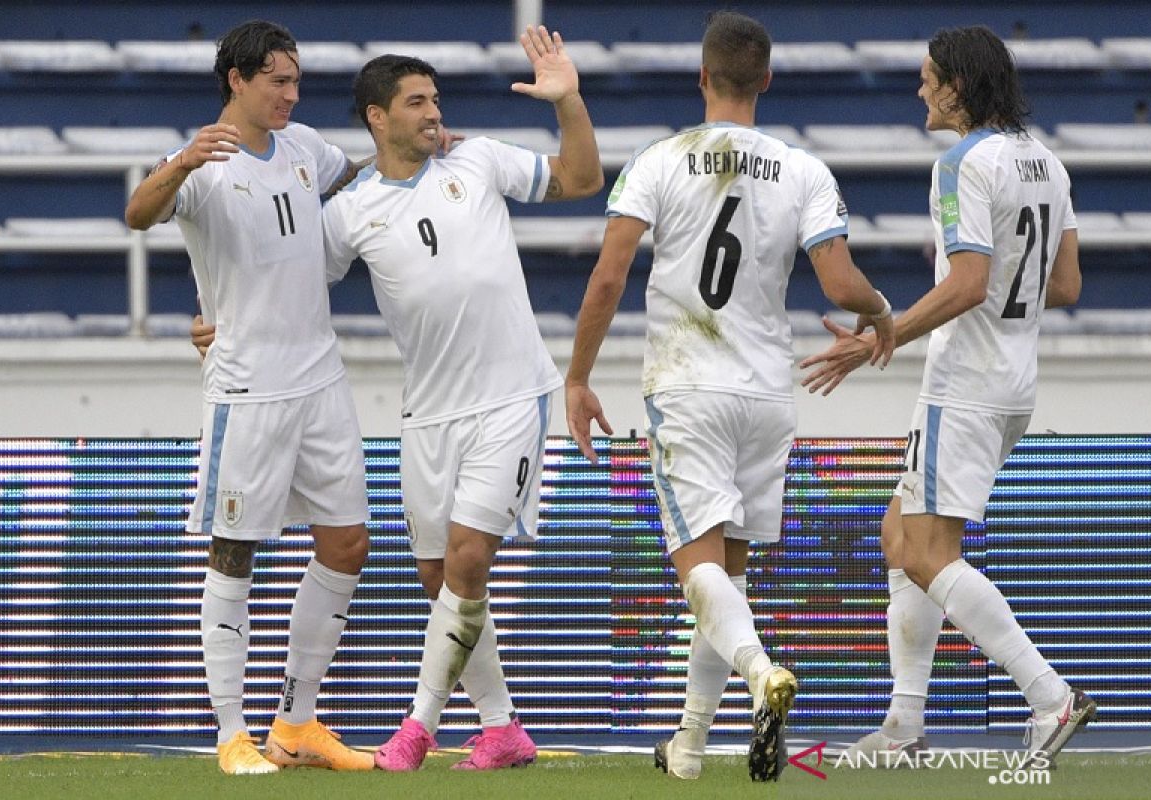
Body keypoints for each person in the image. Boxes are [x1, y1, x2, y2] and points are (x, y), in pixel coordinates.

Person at [564, 11, 895, 782]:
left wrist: (578, 377)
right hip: (767, 394)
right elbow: (842, 285)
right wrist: (880, 315)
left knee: (696, 571)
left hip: (687, 385)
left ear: (703, 77)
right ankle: (687, 747)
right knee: (728, 580)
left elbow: (609, 276)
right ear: (767, 80)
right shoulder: (804, 169)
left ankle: (758, 673)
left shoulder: (659, 159)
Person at [799, 25, 1089, 767]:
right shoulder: (1048, 163)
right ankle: (903, 727)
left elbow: (965, 283)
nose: (919, 90)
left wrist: (880, 337)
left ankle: (1049, 696)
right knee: (901, 536)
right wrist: (1001, 307)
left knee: (928, 553)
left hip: (963, 386)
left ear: (957, 85)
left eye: (928, 77)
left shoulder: (960, 163)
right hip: (1014, 383)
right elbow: (1065, 286)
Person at [319, 28, 602, 771]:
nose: (432, 113)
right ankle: (504, 728)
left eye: (436, 99)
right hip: (428, 416)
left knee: (470, 560)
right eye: (416, 102)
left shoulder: (476, 159)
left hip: (512, 396)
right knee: (439, 578)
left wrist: (568, 101)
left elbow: (580, 178)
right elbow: (283, 278)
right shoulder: (351, 212)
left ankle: (415, 730)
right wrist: (215, 313)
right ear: (377, 118)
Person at [125, 20, 374, 775]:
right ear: (236, 79)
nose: (292, 95)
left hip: (321, 378)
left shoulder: (302, 149)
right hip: (249, 385)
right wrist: (179, 165)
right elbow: (138, 213)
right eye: (278, 80)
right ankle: (230, 734)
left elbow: (352, 178)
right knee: (234, 554)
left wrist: (411, 153)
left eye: (297, 81)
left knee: (348, 543)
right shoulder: (200, 161)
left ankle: (296, 724)